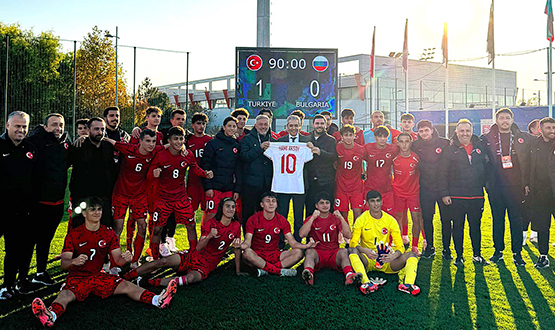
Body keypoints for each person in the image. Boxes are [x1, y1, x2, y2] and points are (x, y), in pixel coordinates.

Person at [31, 197, 178, 328]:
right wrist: (74, 261)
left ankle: (158, 300)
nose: (97, 212)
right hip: (78, 277)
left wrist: (125, 259)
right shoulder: (74, 234)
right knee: (65, 296)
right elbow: (64, 264)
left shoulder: (108, 233)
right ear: (84, 213)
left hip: (98, 275)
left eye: (99, 209)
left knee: (127, 285)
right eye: (92, 209)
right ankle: (50, 316)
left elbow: (117, 260)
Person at [122, 198, 242, 286]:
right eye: (227, 206)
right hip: (194, 255)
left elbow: (236, 248)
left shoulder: (236, 226)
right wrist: (210, 236)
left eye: (233, 207)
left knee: (189, 279)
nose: (231, 209)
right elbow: (199, 247)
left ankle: (149, 282)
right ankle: (126, 277)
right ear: (221, 208)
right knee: (163, 261)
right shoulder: (211, 223)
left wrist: (238, 270)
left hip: (207, 265)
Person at [149, 126, 213, 260]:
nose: (178, 142)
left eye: (181, 139)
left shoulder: (187, 154)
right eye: (175, 139)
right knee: (157, 229)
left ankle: (194, 255)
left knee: (190, 224)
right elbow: (150, 173)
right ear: (169, 140)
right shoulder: (161, 155)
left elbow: (195, 168)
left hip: (180, 196)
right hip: (163, 198)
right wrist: (154, 173)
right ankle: (155, 259)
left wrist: (205, 174)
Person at [104, 129, 161, 269]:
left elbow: (168, 146)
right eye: (148, 141)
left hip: (139, 196)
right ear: (140, 141)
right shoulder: (128, 149)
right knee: (118, 228)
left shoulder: (154, 152)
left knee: (142, 226)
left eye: (153, 141)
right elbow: (113, 142)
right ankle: (113, 262)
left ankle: (135, 260)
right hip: (121, 194)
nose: (151, 144)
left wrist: (182, 148)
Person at [25, 114, 71, 288]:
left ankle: (40, 273)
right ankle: (21, 277)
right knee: (30, 241)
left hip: (58, 202)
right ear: (45, 127)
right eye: (54, 125)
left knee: (46, 240)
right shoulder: (35, 142)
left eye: (61, 125)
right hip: (38, 203)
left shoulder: (65, 144)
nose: (58, 128)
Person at [438, 119, 490, 267]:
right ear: (457, 132)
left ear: (471, 131)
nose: (465, 134)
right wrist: (444, 193)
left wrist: (487, 186)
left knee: (475, 226)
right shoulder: (449, 149)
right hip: (456, 196)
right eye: (462, 131)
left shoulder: (480, 147)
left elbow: (487, 169)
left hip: (476, 195)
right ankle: (459, 256)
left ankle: (477, 255)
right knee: (458, 226)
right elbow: (442, 173)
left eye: (467, 131)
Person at [348, 190, 420, 296]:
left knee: (412, 255)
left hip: (386, 260)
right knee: (351, 250)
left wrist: (393, 256)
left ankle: (408, 285)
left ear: (382, 202)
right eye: (372, 201)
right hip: (368, 259)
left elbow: (400, 246)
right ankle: (366, 283)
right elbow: (353, 243)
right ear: (367, 204)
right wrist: (365, 250)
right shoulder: (361, 219)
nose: (376, 204)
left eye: (378, 201)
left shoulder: (390, 220)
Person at [481, 108, 528, 266]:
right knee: (498, 219)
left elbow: (528, 161)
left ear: (512, 120)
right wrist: (487, 183)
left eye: (507, 118)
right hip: (496, 186)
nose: (505, 121)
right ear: (497, 120)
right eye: (502, 118)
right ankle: (498, 251)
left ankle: (517, 253)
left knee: (516, 219)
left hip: (515, 187)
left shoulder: (521, 137)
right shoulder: (487, 138)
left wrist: (525, 183)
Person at [0, 111, 38, 300]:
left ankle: (8, 285)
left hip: (21, 211)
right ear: (7, 125)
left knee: (14, 251)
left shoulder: (30, 148)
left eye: (24, 126)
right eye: (17, 126)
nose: (21, 130)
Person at [241, 192, 318, 277]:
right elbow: (248, 241)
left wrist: (307, 246)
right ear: (262, 204)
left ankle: (265, 269)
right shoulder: (253, 219)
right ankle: (279, 271)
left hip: (274, 254)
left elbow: (293, 243)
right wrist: (241, 245)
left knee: (298, 252)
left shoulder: (281, 220)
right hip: (257, 254)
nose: (271, 203)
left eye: (273, 201)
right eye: (267, 201)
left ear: (277, 204)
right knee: (247, 253)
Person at [269, 115, 313, 243]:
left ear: (300, 126)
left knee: (299, 214)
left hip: (299, 184)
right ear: (286, 127)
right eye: (291, 126)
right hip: (283, 184)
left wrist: (311, 148)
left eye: (296, 125)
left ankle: (298, 240)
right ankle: (281, 239)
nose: (293, 128)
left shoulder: (307, 141)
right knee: (282, 213)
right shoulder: (279, 142)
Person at [299, 192, 358, 286]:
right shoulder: (312, 218)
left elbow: (348, 235)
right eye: (321, 203)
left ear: (330, 205)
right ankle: (308, 274)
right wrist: (312, 218)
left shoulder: (335, 218)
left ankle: (349, 275)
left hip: (333, 253)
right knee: (309, 252)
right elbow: (301, 234)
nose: (325, 205)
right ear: (316, 206)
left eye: (327, 202)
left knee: (343, 251)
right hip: (318, 253)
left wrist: (342, 218)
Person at [412, 120, 450, 259]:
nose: (424, 133)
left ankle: (446, 249)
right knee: (427, 219)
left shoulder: (444, 143)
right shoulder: (415, 145)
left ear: (432, 130)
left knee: (445, 219)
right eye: (421, 131)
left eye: (426, 130)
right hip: (426, 188)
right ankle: (430, 247)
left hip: (442, 188)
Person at [69, 118, 118, 228]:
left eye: (102, 129)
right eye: (96, 129)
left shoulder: (108, 147)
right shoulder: (79, 146)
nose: (99, 132)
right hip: (82, 195)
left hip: (104, 195)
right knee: (79, 227)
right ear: (88, 129)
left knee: (104, 228)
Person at [526, 117, 555, 268]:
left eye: (553, 128)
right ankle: (543, 256)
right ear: (541, 130)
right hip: (540, 194)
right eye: (548, 128)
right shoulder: (534, 144)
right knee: (543, 227)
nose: (552, 131)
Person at [201, 117, 242, 223]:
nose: (232, 128)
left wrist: (237, 189)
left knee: (227, 215)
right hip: (214, 187)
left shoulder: (236, 145)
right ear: (224, 127)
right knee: (211, 214)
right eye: (229, 126)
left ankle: (223, 239)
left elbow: (238, 169)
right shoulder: (213, 143)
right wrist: (208, 187)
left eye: (234, 126)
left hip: (228, 187)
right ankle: (205, 238)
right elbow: (205, 166)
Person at [392, 133, 424, 254]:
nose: (404, 144)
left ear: (411, 142)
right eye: (402, 141)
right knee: (398, 219)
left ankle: (415, 246)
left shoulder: (416, 157)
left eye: (407, 141)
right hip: (398, 192)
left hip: (414, 193)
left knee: (416, 218)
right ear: (398, 143)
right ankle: (399, 244)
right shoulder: (394, 158)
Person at [240, 114, 274, 224]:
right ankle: (247, 239)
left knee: (265, 213)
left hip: (267, 184)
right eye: (261, 124)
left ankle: (262, 238)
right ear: (255, 125)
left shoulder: (274, 140)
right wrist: (259, 148)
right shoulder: (247, 139)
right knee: (248, 213)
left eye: (266, 124)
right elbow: (244, 157)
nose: (263, 127)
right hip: (250, 184)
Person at [305, 114, 337, 215]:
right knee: (310, 209)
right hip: (310, 181)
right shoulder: (306, 139)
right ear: (313, 125)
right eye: (317, 123)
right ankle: (310, 230)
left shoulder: (331, 140)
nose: (319, 125)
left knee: (327, 208)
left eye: (322, 123)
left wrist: (320, 152)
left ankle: (329, 230)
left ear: (326, 125)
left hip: (326, 180)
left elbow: (334, 157)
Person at [334, 125, 366, 221]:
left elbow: (370, 160)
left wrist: (366, 172)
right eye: (346, 135)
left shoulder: (361, 149)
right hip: (341, 186)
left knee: (358, 213)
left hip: (357, 187)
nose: (348, 137)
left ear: (354, 136)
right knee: (343, 214)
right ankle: (345, 235)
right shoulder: (337, 147)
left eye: (350, 135)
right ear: (342, 136)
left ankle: (357, 235)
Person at [364, 126, 398, 214]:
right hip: (371, 187)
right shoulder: (367, 148)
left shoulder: (393, 149)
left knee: (390, 216)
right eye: (380, 136)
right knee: (369, 216)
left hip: (387, 188)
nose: (382, 139)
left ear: (388, 137)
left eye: (384, 136)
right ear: (375, 137)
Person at [187, 113, 213, 225]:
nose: (201, 126)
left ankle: (204, 236)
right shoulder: (188, 141)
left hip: (207, 181)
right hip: (193, 181)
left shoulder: (210, 140)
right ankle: (192, 241)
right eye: (198, 123)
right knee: (190, 212)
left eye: (203, 123)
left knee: (207, 211)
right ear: (193, 125)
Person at [523, 118, 541, 245]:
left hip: (544, 184)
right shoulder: (526, 144)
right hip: (529, 183)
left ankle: (534, 235)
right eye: (539, 127)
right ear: (532, 130)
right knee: (526, 210)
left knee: (540, 210)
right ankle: (523, 235)